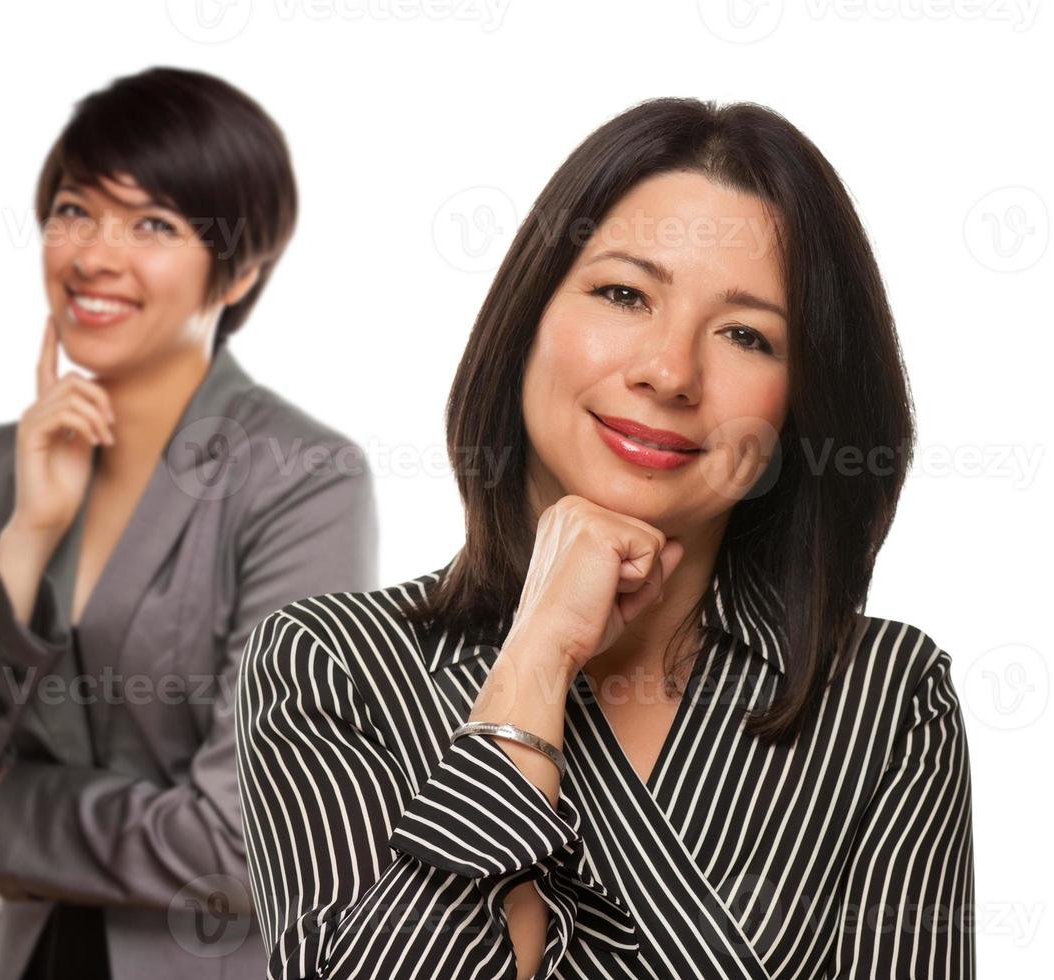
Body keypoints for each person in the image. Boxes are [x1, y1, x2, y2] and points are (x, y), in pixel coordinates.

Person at [235, 97, 975, 979]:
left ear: (800, 403)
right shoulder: (330, 664)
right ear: (528, 321)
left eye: (746, 335)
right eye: (624, 294)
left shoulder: (885, 701)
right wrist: (537, 659)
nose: (668, 372)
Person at [0, 66, 378, 980]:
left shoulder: (302, 477)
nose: (93, 255)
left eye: (153, 224)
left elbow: (249, 838)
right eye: (74, 210)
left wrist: (18, 814)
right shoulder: (7, 463)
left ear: (244, 267)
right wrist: (29, 535)